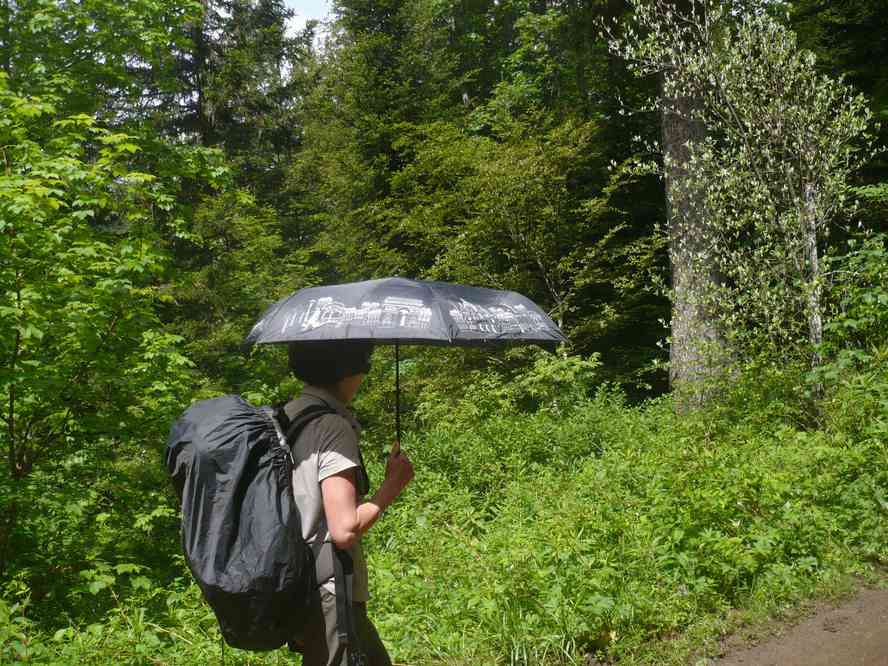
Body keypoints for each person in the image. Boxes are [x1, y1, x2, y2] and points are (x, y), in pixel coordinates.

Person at [285, 341, 414, 666]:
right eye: (364, 364)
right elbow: (344, 530)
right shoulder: (331, 426)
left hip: (297, 581)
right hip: (330, 590)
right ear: (347, 370)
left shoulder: (289, 414)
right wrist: (392, 485)